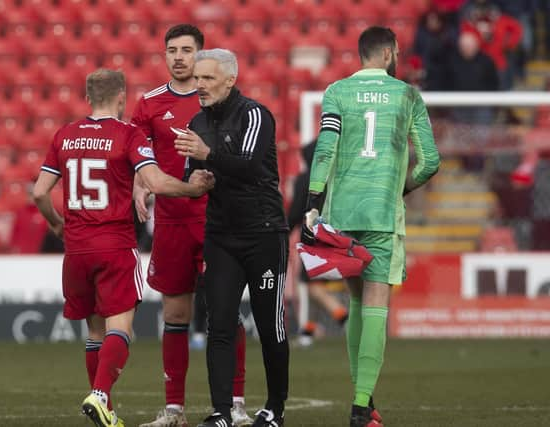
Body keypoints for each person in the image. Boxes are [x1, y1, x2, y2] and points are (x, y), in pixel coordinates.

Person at [32, 68, 214, 427]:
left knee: (95, 333)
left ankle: (107, 411)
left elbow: (39, 191)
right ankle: (100, 395)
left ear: (87, 98)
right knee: (121, 329)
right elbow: (156, 183)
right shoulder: (127, 134)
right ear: (121, 98)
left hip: (77, 249)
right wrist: (194, 189)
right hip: (114, 245)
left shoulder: (65, 135)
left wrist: (56, 223)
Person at [304, 27, 440, 427]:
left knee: (358, 304)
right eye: (396, 51)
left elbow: (325, 148)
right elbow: (430, 160)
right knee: (378, 304)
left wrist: (313, 202)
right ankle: (361, 406)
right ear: (387, 53)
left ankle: (365, 398)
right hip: (382, 213)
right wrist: (403, 188)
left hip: (342, 215)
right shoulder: (407, 95)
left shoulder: (336, 92)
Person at [132, 24, 252, 427]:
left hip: (217, 220)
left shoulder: (221, 104)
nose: (179, 57)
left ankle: (235, 404)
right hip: (171, 222)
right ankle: (174, 410)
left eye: (187, 50)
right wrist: (139, 186)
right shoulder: (148, 105)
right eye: (172, 50)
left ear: (201, 56)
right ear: (164, 55)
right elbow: (137, 157)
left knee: (226, 312)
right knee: (176, 314)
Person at [175, 48, 289, 427]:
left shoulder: (255, 114)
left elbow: (251, 164)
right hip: (221, 235)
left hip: (264, 234)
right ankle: (221, 412)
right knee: (219, 323)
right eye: (198, 79)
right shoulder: (196, 121)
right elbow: (194, 173)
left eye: (207, 78)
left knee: (269, 323)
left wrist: (209, 155)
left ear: (230, 79)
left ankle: (274, 408)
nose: (199, 85)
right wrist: (196, 180)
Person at [287, 141, 349, 347]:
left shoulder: (305, 179)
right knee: (316, 285)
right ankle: (311, 330)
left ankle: (340, 319)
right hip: (336, 233)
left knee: (308, 286)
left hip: (314, 237)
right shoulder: (336, 178)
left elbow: (297, 211)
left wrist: (285, 229)